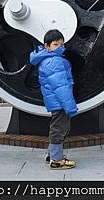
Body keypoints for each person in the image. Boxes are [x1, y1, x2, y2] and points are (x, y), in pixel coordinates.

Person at [29, 29, 78, 170]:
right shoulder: (54, 61)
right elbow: (61, 87)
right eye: (56, 44)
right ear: (47, 46)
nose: (60, 47)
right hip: (60, 102)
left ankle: (51, 155)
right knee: (59, 129)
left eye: (62, 44)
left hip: (56, 101)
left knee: (58, 128)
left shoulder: (47, 59)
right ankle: (56, 160)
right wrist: (70, 106)